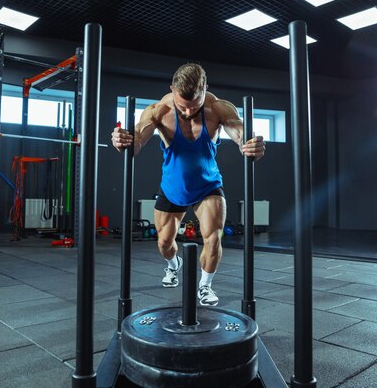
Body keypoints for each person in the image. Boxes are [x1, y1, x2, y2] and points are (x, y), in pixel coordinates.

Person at [111, 63, 265, 306]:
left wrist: (251, 144)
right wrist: (124, 142)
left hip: (208, 186)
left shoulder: (219, 108)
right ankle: (173, 266)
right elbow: (137, 141)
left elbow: (240, 135)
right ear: (172, 89)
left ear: (205, 89)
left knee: (213, 238)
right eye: (182, 106)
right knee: (164, 243)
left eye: (194, 106)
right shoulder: (158, 110)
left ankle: (205, 286)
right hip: (172, 188)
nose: (187, 112)